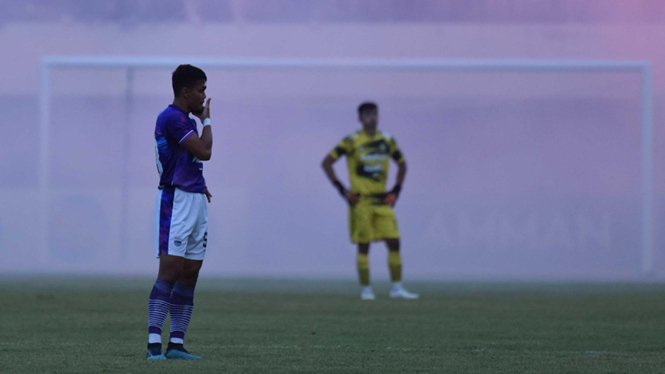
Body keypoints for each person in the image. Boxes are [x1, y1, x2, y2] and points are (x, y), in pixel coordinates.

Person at [147, 64, 214, 360]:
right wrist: (207, 120)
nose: (204, 96)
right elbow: (205, 152)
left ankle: (175, 344)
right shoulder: (172, 118)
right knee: (170, 271)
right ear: (185, 91)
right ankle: (152, 347)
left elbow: (195, 159)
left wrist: (201, 185)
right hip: (177, 201)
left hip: (195, 197)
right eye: (201, 90)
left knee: (190, 272)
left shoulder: (187, 121)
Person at [322, 102, 419, 300]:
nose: (371, 118)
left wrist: (396, 190)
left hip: (382, 201)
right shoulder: (352, 141)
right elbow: (327, 162)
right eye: (367, 114)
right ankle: (366, 289)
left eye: (374, 114)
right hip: (361, 202)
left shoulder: (387, 140)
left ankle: (396, 287)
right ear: (359, 118)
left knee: (394, 241)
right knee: (364, 245)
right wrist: (342, 190)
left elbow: (402, 164)